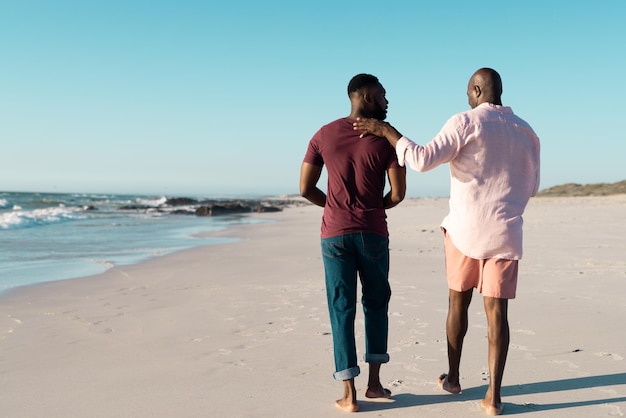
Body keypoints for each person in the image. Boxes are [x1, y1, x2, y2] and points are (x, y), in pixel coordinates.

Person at [353, 68, 540, 416]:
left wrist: (386, 131)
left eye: (468, 93)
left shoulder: (466, 122)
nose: (467, 99)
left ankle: (453, 379)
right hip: (506, 232)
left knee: (458, 304)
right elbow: (532, 186)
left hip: (465, 229)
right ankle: (493, 398)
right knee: (497, 313)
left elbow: (422, 159)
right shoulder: (528, 132)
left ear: (477, 89)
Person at [300, 73, 406, 412]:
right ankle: (374, 384)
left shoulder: (323, 134)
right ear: (362, 94)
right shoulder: (387, 140)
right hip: (373, 232)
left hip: (334, 234)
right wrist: (375, 206)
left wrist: (334, 205)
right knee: (376, 304)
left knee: (340, 309)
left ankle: (349, 394)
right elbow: (399, 193)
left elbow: (305, 188)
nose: (387, 101)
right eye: (382, 94)